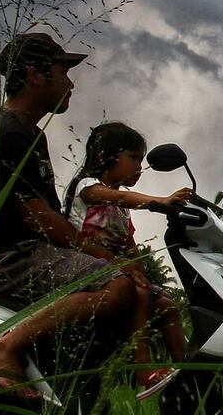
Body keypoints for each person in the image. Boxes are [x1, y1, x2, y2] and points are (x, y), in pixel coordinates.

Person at [0, 32, 138, 399]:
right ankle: (4, 349)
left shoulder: (27, 133)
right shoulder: (7, 133)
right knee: (117, 283)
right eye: (63, 71)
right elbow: (40, 217)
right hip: (12, 258)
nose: (70, 82)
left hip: (31, 254)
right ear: (35, 75)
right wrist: (107, 259)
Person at [63, 121, 190, 396]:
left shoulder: (121, 208)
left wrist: (141, 271)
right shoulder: (89, 186)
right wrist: (160, 202)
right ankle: (144, 370)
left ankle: (190, 373)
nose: (138, 166)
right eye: (133, 157)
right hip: (83, 266)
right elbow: (119, 198)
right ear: (105, 156)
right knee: (142, 296)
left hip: (114, 270)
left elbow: (128, 244)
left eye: (141, 160)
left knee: (167, 304)